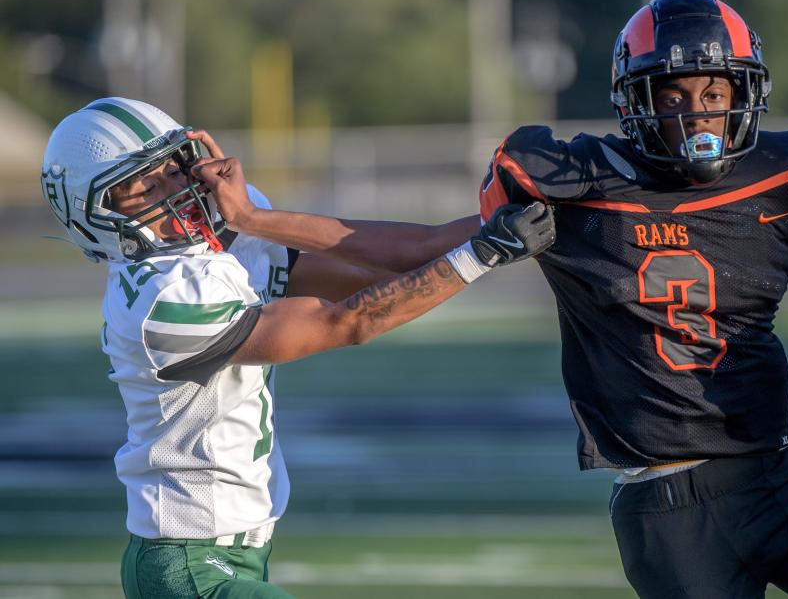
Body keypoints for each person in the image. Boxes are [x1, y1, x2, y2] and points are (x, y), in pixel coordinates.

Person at [477, 0, 788, 598]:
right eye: (672, 96)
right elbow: (461, 239)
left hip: (780, 478)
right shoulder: (578, 185)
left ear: (743, 96)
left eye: (715, 94)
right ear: (636, 101)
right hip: (670, 508)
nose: (698, 116)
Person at [40, 96, 555, 598]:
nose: (171, 190)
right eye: (142, 188)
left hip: (226, 554)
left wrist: (525, 218)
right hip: (188, 563)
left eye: (172, 170)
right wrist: (482, 254)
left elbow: (396, 257)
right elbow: (346, 320)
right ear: (96, 215)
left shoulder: (214, 246)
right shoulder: (162, 298)